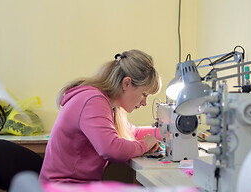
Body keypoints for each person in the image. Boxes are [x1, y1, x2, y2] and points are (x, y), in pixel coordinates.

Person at [39, 49, 162, 183]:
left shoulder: (110, 106)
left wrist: (169, 132)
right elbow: (112, 150)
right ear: (126, 83)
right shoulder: (93, 101)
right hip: (62, 191)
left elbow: (134, 132)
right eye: (144, 94)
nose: (144, 103)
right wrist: (144, 145)